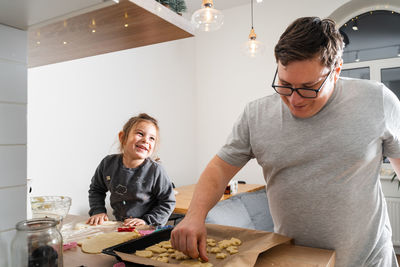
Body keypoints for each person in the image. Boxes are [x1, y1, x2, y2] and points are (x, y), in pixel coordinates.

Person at [171, 17, 400, 267]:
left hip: (370, 260)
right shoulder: (255, 115)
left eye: (308, 87)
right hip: (292, 260)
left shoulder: (377, 101)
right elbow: (219, 169)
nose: (294, 99)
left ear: (336, 71)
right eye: (284, 84)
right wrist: (195, 216)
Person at [86, 113, 176, 227]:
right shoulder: (107, 164)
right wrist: (98, 211)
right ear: (122, 137)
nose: (145, 140)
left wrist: (147, 221)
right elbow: (96, 190)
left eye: (151, 138)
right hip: (122, 225)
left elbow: (168, 202)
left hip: (147, 228)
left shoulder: (155, 171)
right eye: (140, 134)